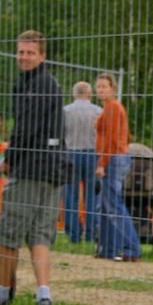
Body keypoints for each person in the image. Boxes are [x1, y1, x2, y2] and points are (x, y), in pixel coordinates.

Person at [0, 30, 67, 305]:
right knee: (39, 234)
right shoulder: (40, 82)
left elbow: (25, 129)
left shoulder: (38, 85)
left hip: (31, 169)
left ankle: (1, 292)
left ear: (42, 55)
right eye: (20, 52)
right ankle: (44, 294)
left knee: (9, 232)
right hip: (53, 169)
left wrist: (8, 158)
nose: (23, 57)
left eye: (30, 52)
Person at [94, 73, 141, 261]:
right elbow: (125, 135)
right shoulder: (111, 106)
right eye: (98, 86)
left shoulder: (112, 107)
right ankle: (107, 249)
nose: (100, 90)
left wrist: (102, 163)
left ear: (112, 88)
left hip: (113, 158)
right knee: (106, 206)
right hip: (117, 157)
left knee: (113, 206)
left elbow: (112, 140)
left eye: (104, 86)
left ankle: (131, 248)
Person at [63, 81, 102, 243]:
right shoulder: (98, 111)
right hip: (92, 154)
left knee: (70, 194)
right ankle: (91, 234)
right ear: (89, 93)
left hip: (71, 153)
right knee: (91, 195)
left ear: (74, 93)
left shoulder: (65, 111)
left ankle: (73, 234)